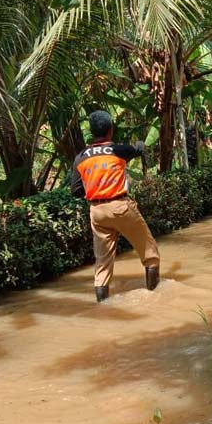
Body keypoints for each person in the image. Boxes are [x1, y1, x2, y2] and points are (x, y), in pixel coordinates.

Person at [70, 110, 160, 302]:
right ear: (110, 130)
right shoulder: (119, 150)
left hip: (97, 212)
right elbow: (138, 149)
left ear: (92, 132)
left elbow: (76, 190)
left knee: (102, 265)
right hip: (120, 207)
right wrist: (140, 145)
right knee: (150, 253)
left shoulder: (81, 157)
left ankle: (103, 307)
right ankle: (155, 297)